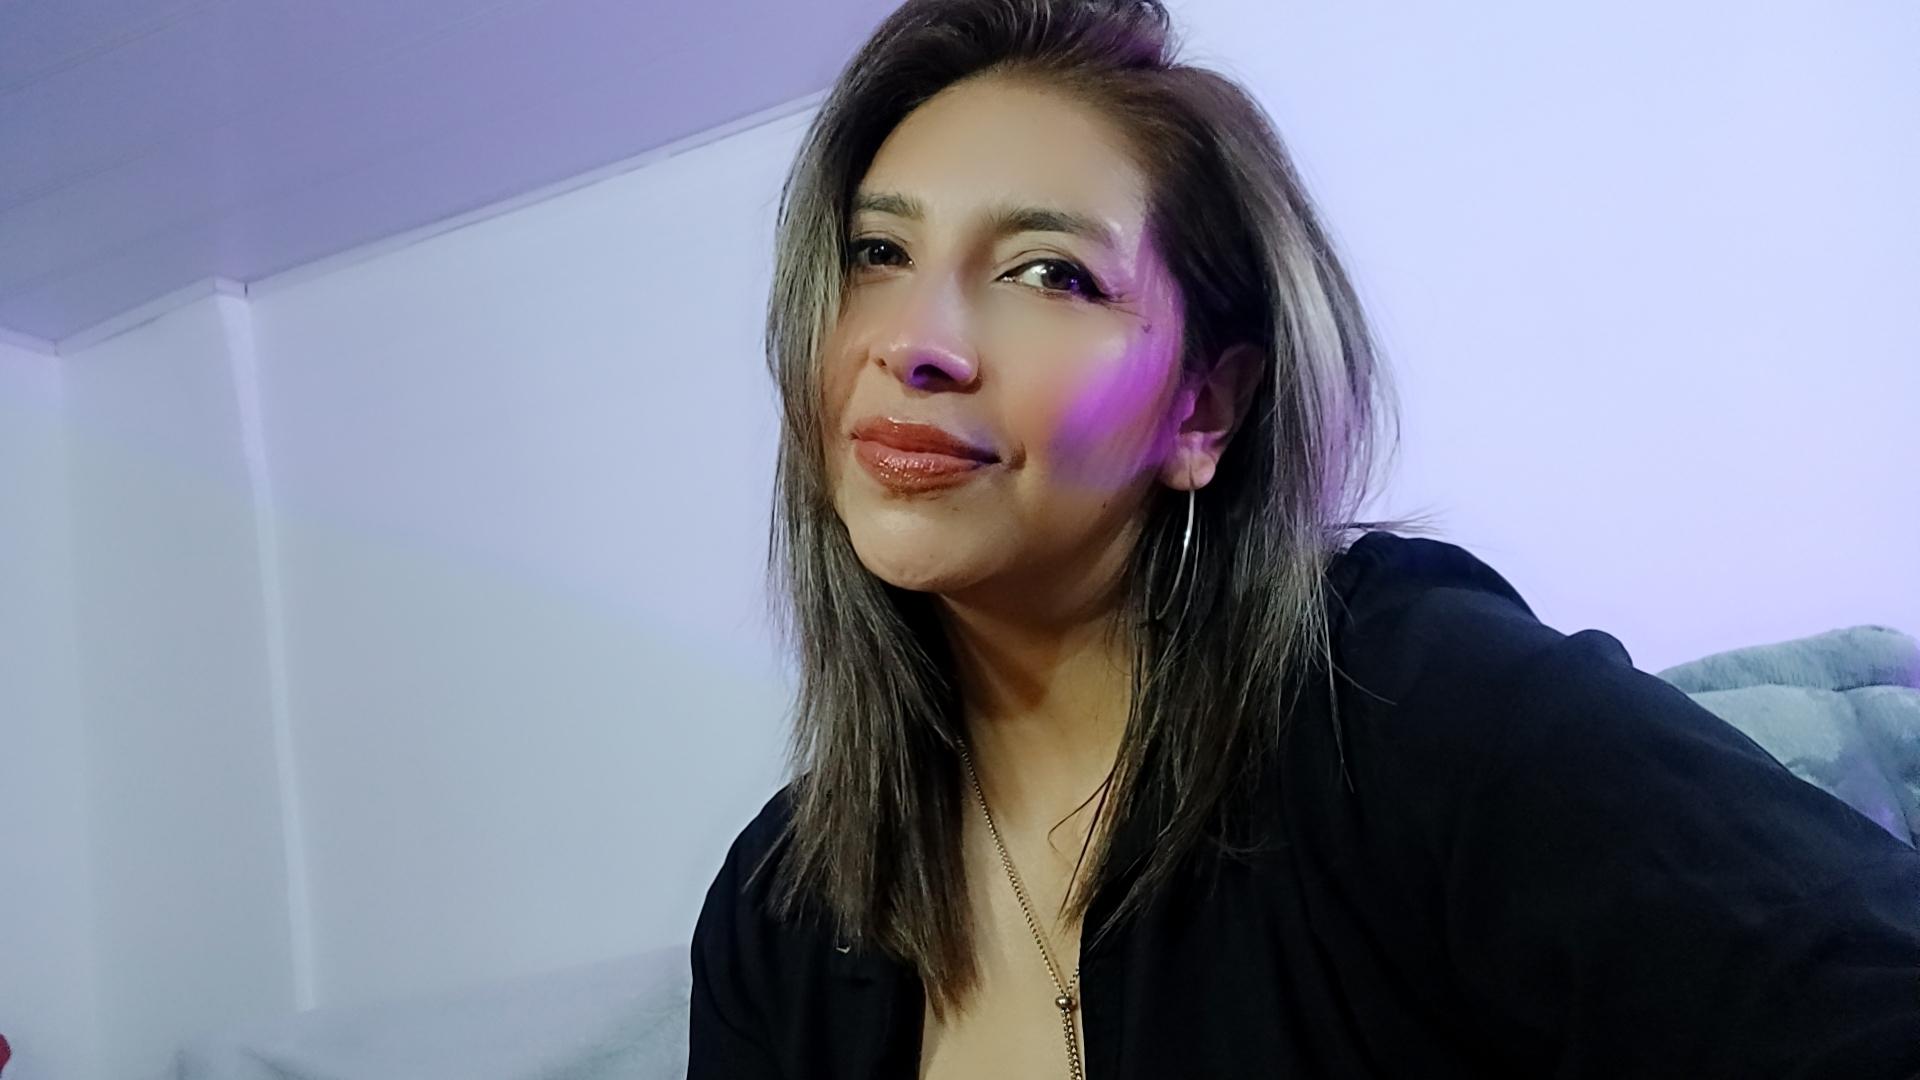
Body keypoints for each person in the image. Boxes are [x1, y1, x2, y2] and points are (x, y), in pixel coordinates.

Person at [687, 1, 1920, 1076]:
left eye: (1050, 273)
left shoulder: (1405, 706)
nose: (915, 339)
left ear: (1203, 410)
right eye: (878, 254)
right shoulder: (777, 910)